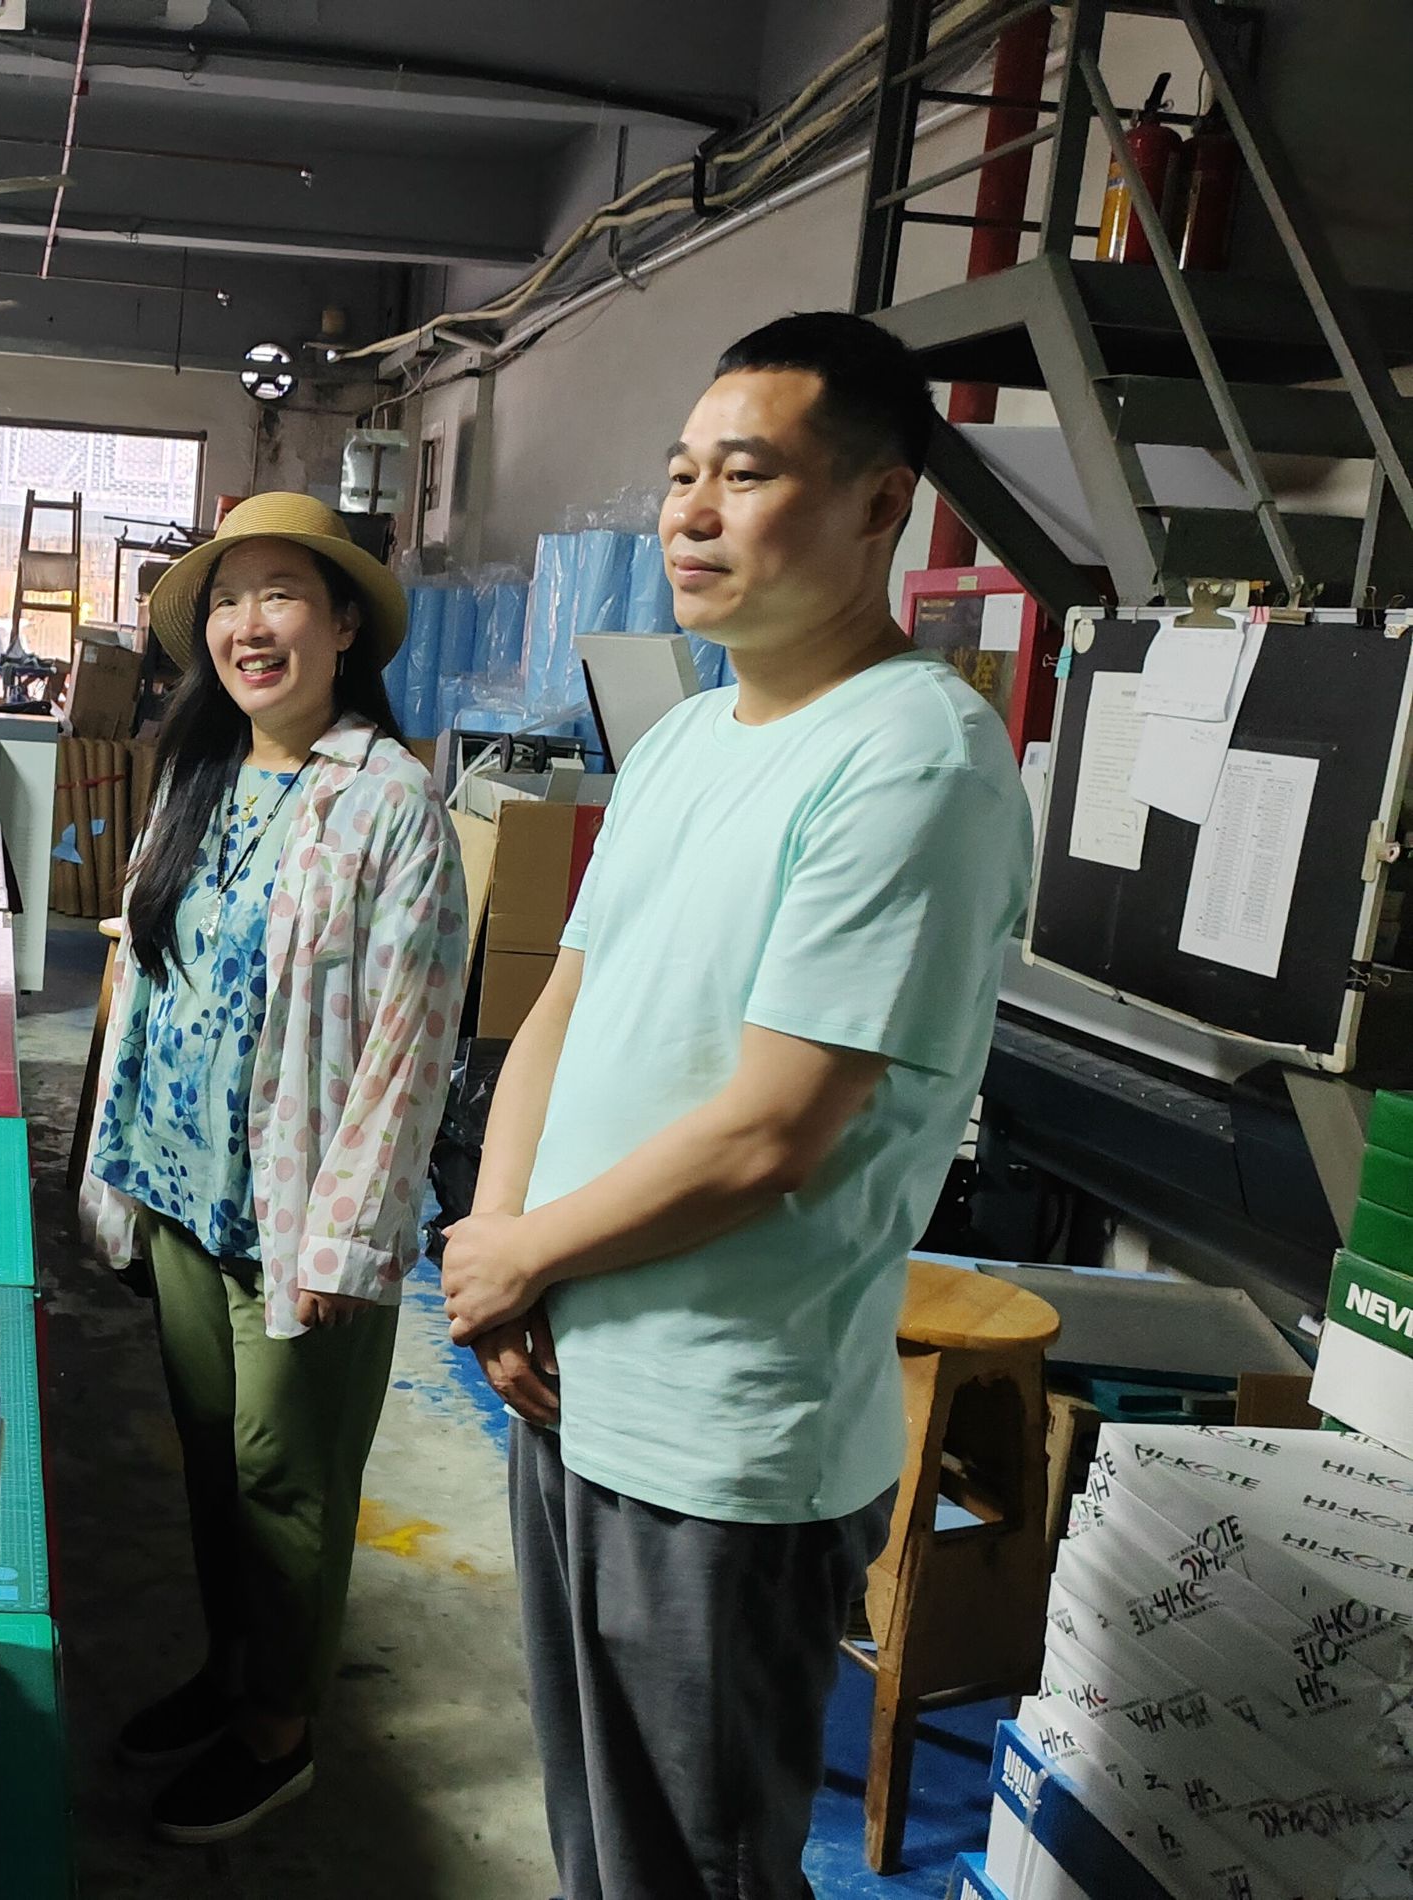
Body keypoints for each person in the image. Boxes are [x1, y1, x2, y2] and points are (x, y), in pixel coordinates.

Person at [440, 312, 1034, 1898]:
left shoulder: (914, 760)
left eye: (748, 474)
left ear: (879, 504)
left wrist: (526, 1254)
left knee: (695, 1871)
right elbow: (561, 1006)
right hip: (569, 1376)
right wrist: (499, 1248)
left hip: (721, 1438)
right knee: (602, 1848)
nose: (691, 513)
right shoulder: (686, 741)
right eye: (680, 474)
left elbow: (776, 1129)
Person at [81, 492, 468, 1846]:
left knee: (283, 1481)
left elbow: (411, 1043)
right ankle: (233, 1671)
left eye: (282, 594)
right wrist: (113, 1170)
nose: (250, 625)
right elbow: (144, 980)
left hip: (299, 1212)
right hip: (180, 1189)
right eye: (228, 601)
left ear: (344, 624)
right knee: (209, 1463)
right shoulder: (199, 778)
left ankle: (280, 1732)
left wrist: (354, 1235)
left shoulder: (392, 805)